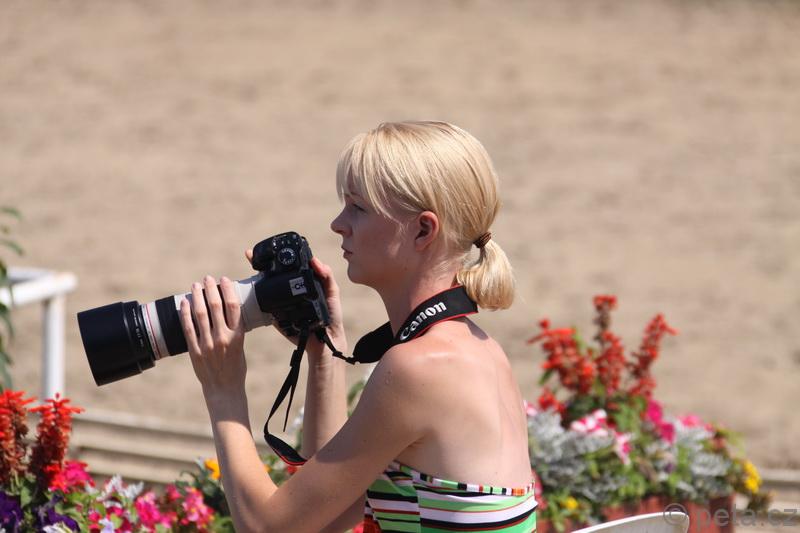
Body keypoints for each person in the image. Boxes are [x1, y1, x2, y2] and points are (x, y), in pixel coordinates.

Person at [178, 121, 537, 532]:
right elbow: (325, 520)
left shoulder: (421, 368)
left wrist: (223, 389)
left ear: (423, 229)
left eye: (358, 208)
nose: (338, 223)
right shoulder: (480, 351)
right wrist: (325, 353)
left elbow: (267, 528)